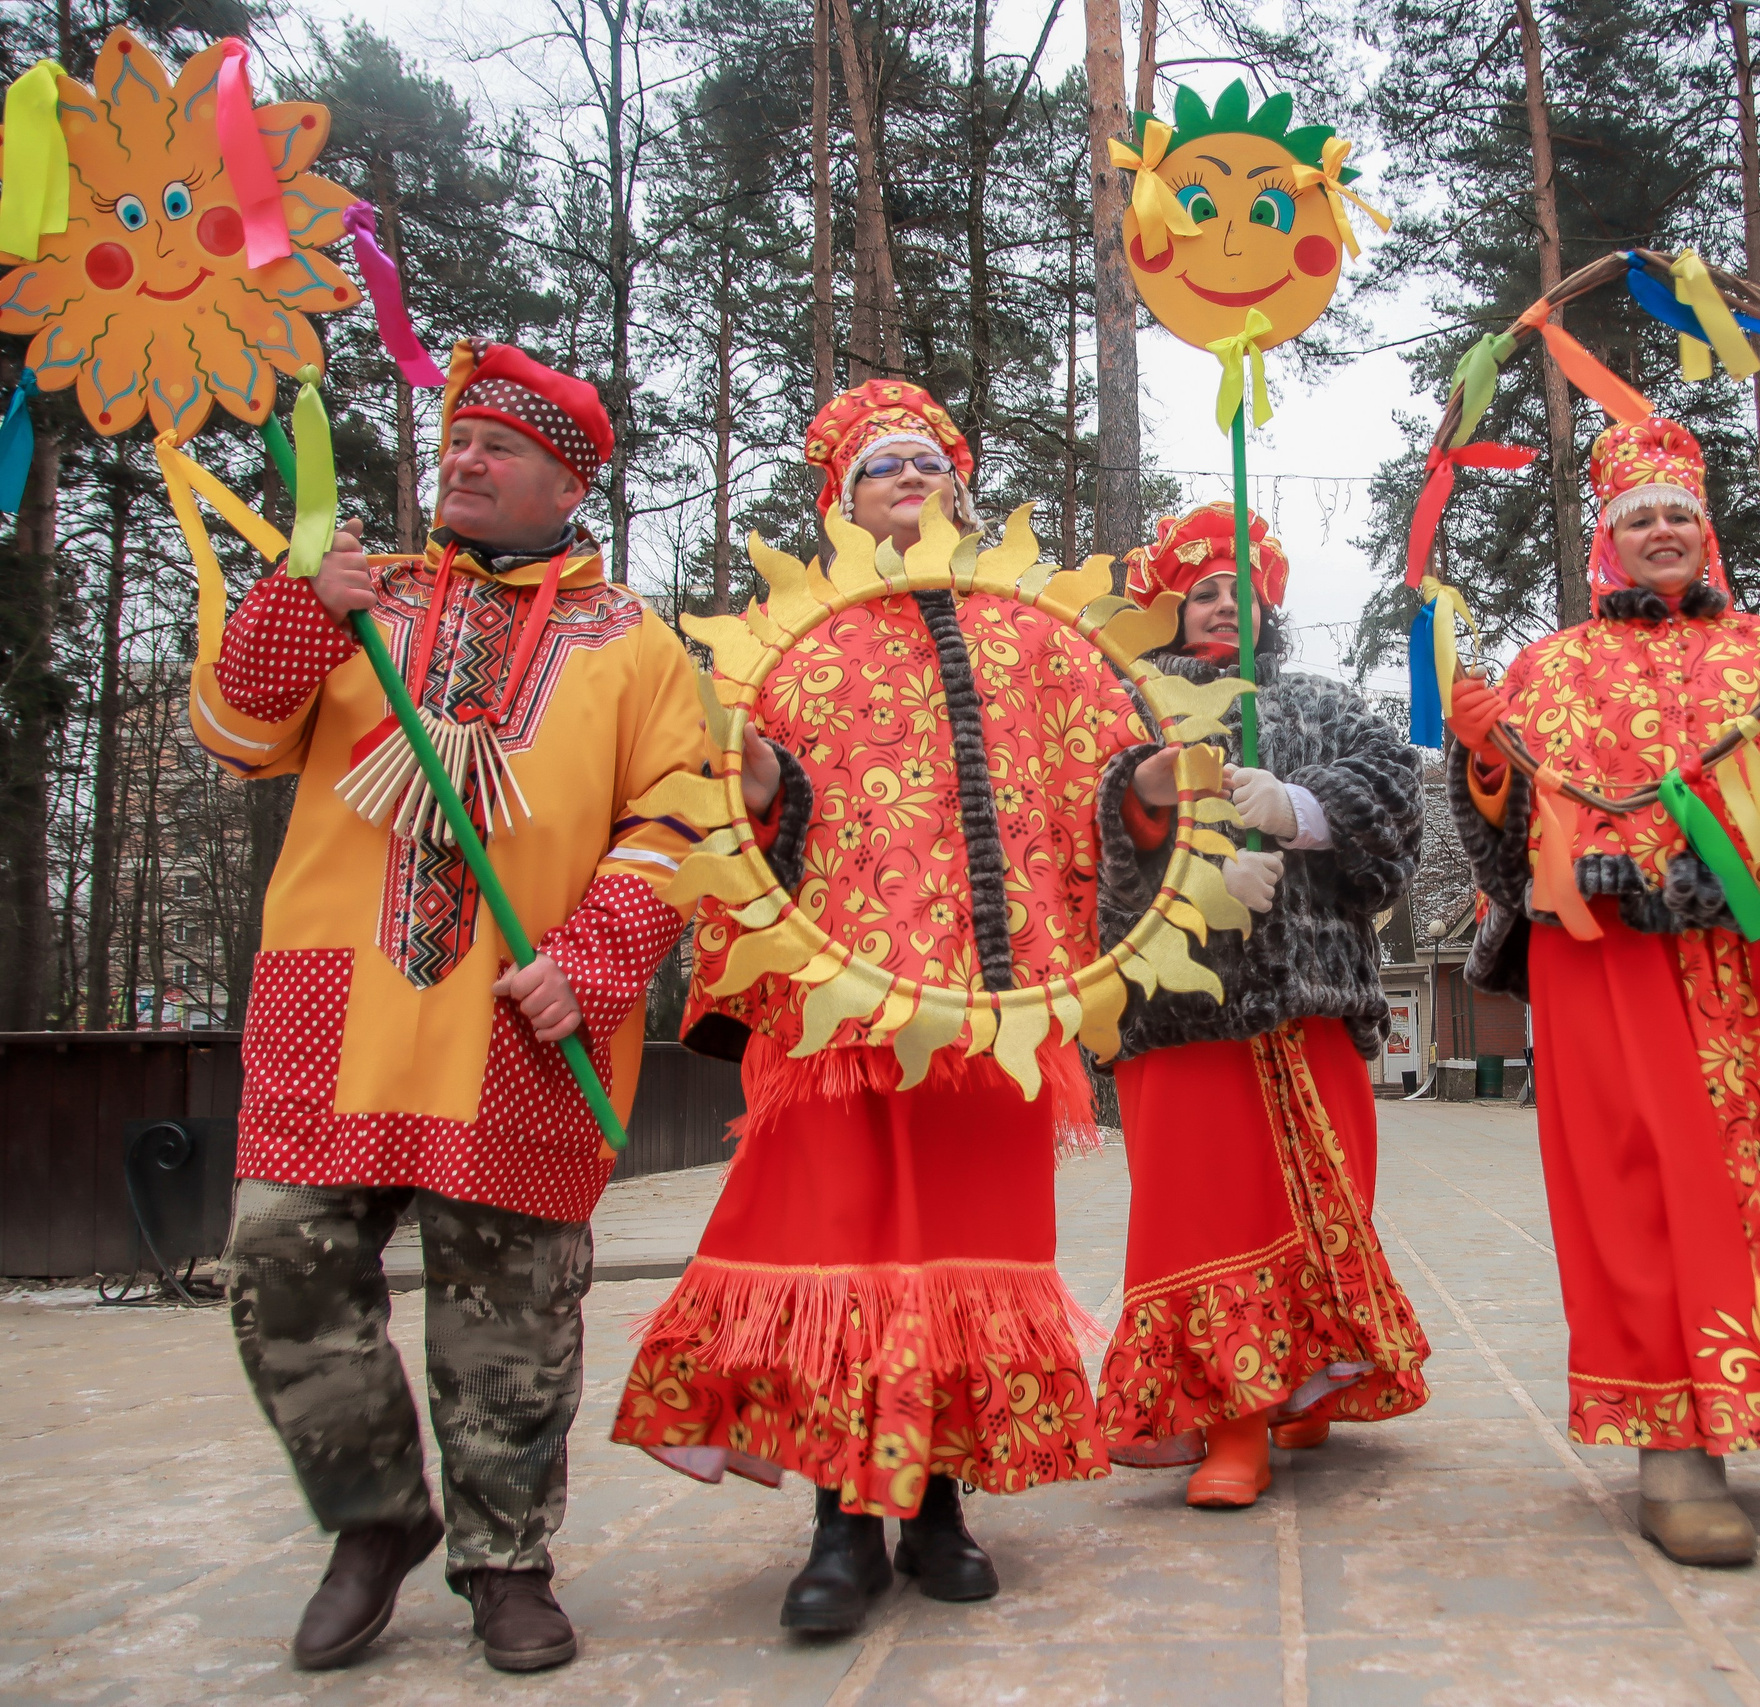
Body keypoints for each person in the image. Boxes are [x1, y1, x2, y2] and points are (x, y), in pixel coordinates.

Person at [609, 379, 1156, 1632]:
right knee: (839, 1249)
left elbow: (1102, 797)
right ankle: (844, 1517)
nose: (907, 480)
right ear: (839, 502)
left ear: (960, 490)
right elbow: (733, 820)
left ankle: (944, 1496)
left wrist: (1156, 792)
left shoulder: (1039, 639)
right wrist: (754, 791)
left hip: (989, 1011)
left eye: (926, 464)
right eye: (879, 469)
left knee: (969, 1247)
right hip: (834, 1016)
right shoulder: (790, 640)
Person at [197, 343, 709, 1673]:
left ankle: (506, 1558)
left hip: (518, 1012)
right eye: (457, 442)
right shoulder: (360, 594)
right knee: (280, 1256)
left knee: (513, 1300)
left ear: (565, 479)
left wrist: (594, 957)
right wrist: (300, 609)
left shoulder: (634, 641)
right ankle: (374, 1519)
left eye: (496, 448)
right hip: (346, 1001)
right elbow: (237, 730)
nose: (461, 462)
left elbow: (679, 817)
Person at [1442, 416, 1760, 1567]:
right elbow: (1516, 841)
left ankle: (1738, 1399)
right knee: (1641, 1177)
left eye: (1677, 515)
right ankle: (1671, 1442)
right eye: (1636, 517)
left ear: (1707, 534)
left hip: (1751, 957)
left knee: (1757, 1172)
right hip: (1612, 962)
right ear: (1604, 542)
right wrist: (1487, 760)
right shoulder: (1552, 663)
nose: (1660, 531)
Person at [1092, 504, 1431, 1508]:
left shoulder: (1323, 702)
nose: (1220, 605)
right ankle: (1231, 1418)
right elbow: (1090, 823)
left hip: (1314, 991)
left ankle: (1307, 1378)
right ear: (1169, 608)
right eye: (1201, 591)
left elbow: (1390, 803)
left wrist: (1302, 811)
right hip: (1179, 1005)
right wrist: (1170, 840)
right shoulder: (1131, 709)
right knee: (1202, 1207)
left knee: (1331, 1193)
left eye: (1239, 589)